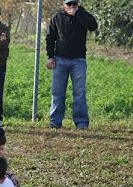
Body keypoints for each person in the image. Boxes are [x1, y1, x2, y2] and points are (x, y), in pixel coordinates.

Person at [45, 0, 97, 129]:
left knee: (79, 93)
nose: (72, 7)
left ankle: (81, 122)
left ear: (78, 5)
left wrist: (78, 14)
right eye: (69, 5)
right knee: (57, 92)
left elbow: (93, 26)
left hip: (78, 61)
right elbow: (50, 37)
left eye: (74, 5)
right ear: (64, 5)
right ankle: (55, 121)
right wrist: (50, 57)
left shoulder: (83, 15)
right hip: (60, 60)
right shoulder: (57, 17)